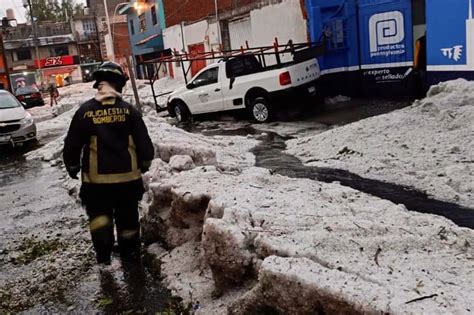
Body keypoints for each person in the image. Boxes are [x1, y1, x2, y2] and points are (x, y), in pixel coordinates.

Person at [63, 61, 155, 265]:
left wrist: (72, 166)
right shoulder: (129, 111)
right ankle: (130, 256)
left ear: (99, 84)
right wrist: (145, 162)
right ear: (119, 84)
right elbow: (144, 144)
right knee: (128, 220)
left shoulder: (85, 112)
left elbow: (72, 144)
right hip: (128, 181)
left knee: (99, 219)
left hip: (96, 185)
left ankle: (103, 256)